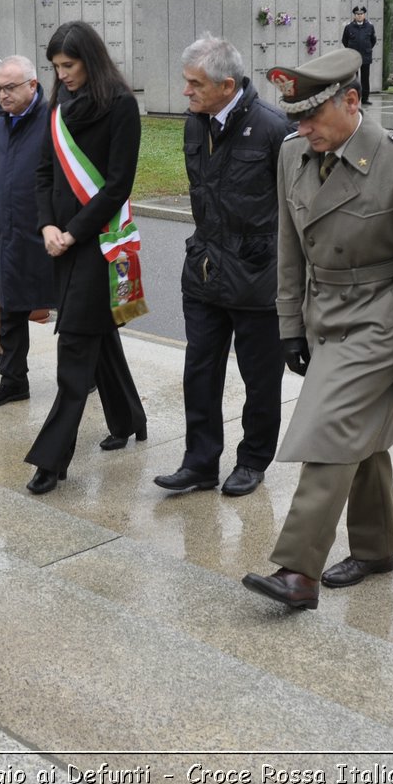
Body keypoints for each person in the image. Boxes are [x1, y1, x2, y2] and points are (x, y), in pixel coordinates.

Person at [241, 48, 393, 612]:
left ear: (352, 101)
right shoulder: (294, 154)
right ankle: (376, 546)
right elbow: (291, 247)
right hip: (323, 315)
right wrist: (290, 323)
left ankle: (297, 570)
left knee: (330, 431)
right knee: (361, 437)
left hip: (382, 316)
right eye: (295, 117)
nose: (302, 127)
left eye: (312, 115)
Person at [151, 36, 293, 497]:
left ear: (226, 85)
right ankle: (200, 463)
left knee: (260, 377)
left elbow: (297, 207)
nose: (186, 93)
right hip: (205, 270)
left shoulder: (274, 128)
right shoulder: (195, 124)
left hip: (257, 276)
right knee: (200, 371)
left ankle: (252, 460)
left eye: (194, 84)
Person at [24, 21, 149, 495]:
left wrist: (73, 232)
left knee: (75, 345)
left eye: (69, 65)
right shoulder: (59, 105)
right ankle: (130, 418)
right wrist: (47, 226)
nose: (63, 74)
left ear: (90, 60)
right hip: (61, 242)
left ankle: (51, 460)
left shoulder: (121, 105)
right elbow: (42, 171)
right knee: (97, 335)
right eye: (56, 67)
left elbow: (119, 183)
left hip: (98, 244)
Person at [0, 56, 55, 408]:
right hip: (8, 228)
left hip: (48, 230)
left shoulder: (54, 120)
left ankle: (87, 375)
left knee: (69, 311)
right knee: (10, 310)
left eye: (10, 88)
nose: (2, 95)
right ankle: (13, 380)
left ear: (33, 86)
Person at [342, 5, 376, 106]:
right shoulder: (349, 27)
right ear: (354, 16)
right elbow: (344, 41)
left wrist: (367, 49)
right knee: (354, 79)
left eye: (361, 14)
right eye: (357, 14)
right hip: (353, 57)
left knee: (365, 79)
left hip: (365, 56)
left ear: (364, 15)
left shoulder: (370, 26)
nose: (359, 16)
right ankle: (355, 98)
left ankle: (365, 99)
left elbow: (373, 41)